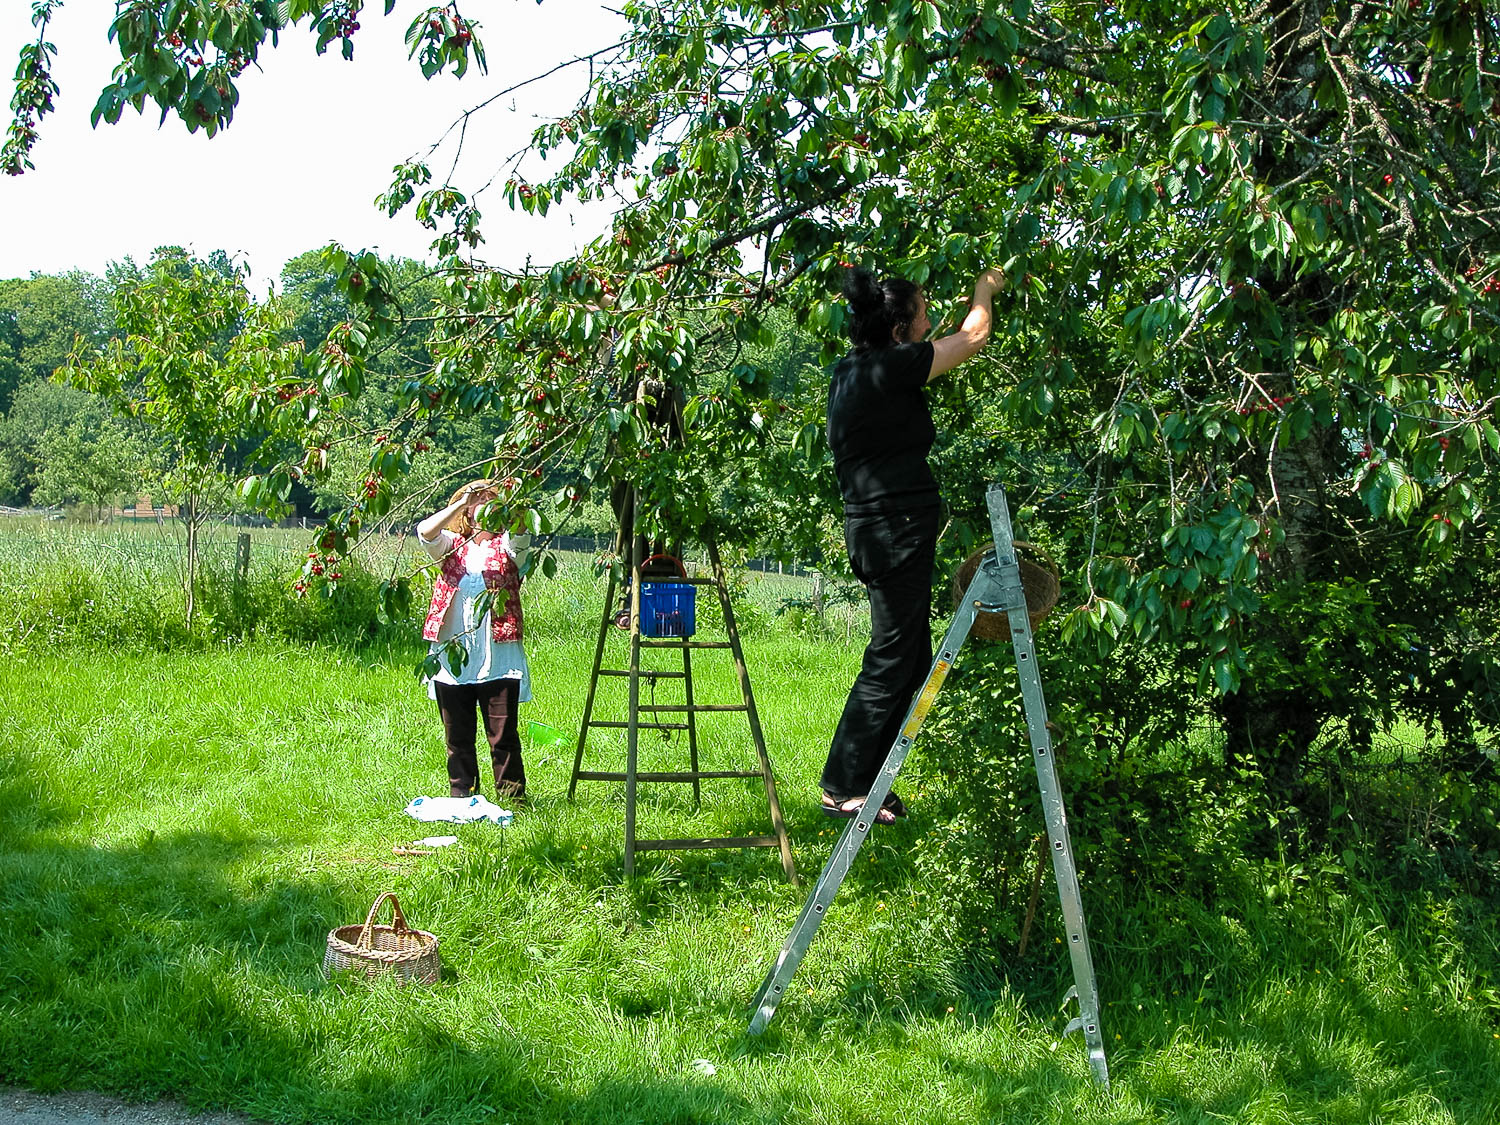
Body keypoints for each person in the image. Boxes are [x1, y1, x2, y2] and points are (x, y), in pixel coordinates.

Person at [820, 265, 1007, 825]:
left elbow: (941, 339)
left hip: (881, 529)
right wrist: (984, 290)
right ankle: (843, 785)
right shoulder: (892, 367)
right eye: (923, 313)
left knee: (912, 656)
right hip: (893, 530)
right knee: (893, 655)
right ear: (899, 330)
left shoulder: (854, 371)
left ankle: (871, 786)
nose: (931, 321)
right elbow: (974, 336)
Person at [417, 479, 533, 803]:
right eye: (477, 500)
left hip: (498, 655)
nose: (483, 503)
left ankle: (512, 798)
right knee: (457, 736)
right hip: (454, 654)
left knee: (503, 735)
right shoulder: (452, 545)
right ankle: (462, 796)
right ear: (467, 510)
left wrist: (508, 502)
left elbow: (522, 533)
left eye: (490, 500)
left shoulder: (507, 546)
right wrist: (460, 502)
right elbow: (425, 532)